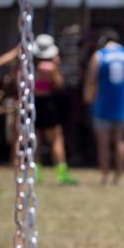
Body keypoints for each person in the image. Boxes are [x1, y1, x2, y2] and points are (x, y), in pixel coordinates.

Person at [83, 30, 124, 185]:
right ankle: (118, 177)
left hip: (102, 104)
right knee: (120, 140)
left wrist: (88, 98)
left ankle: (105, 175)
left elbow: (90, 81)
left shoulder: (99, 55)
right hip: (122, 105)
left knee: (103, 142)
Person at [32, 34, 78, 185]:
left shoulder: (31, 66)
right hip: (48, 104)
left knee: (36, 141)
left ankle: (37, 174)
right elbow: (59, 85)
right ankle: (61, 173)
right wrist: (57, 66)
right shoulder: (49, 67)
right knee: (56, 140)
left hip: (35, 103)